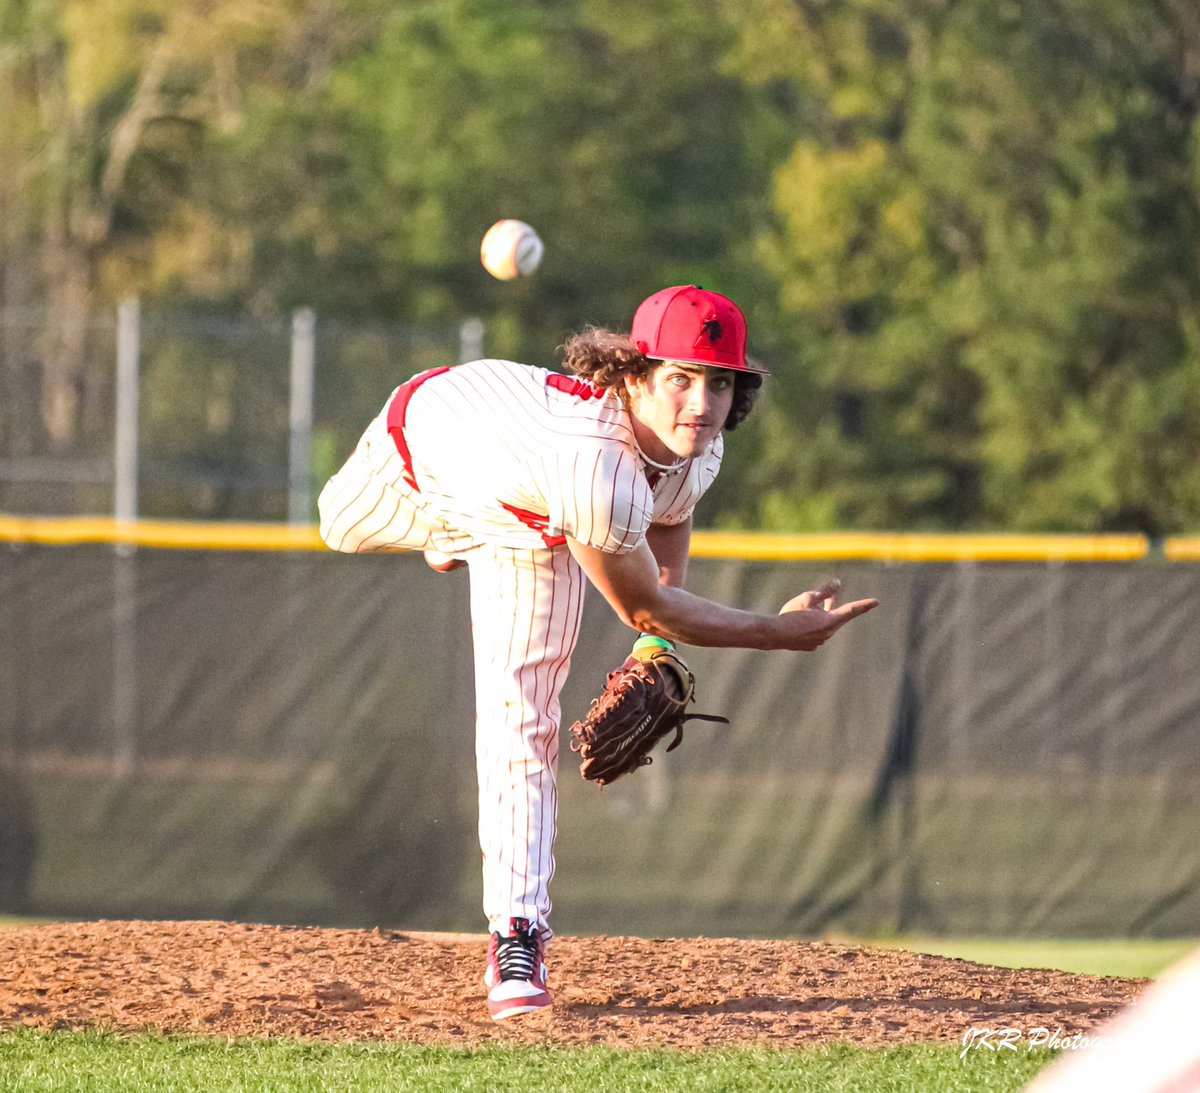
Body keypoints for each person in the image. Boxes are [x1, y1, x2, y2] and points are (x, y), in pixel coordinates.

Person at [317, 285, 879, 1021]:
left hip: (537, 525)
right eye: (679, 377)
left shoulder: (695, 450)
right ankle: (452, 535)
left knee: (524, 718)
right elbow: (644, 598)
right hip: (426, 439)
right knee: (335, 523)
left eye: (719, 381)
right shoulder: (598, 471)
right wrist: (776, 631)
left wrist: (653, 649)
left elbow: (669, 525)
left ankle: (516, 934)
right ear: (634, 374)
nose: (703, 401)